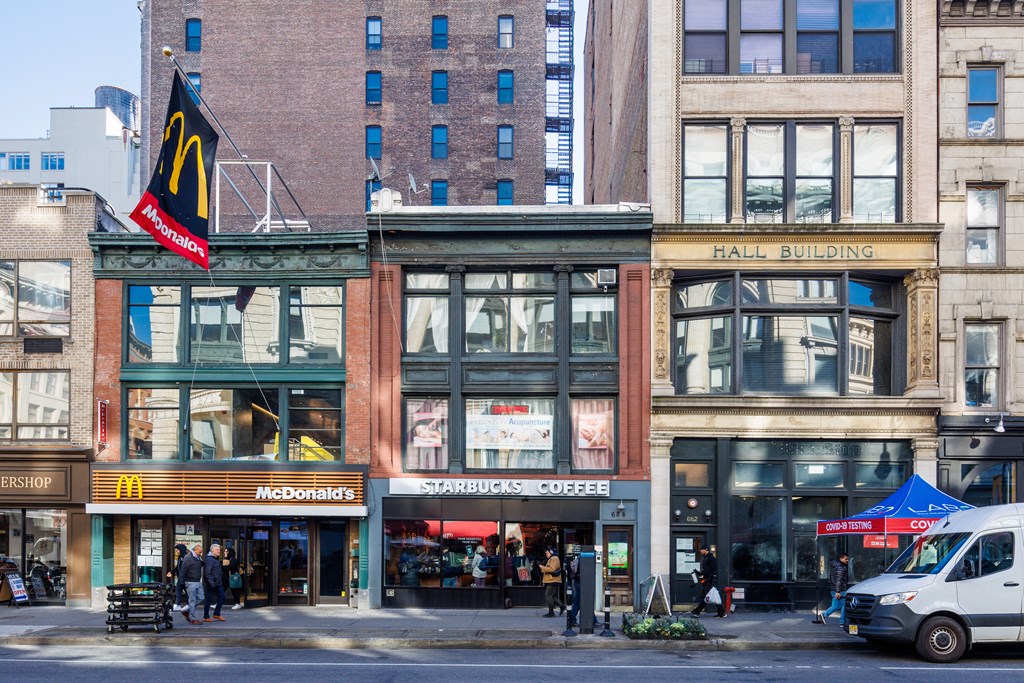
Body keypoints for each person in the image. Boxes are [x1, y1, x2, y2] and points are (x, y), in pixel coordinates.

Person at [689, 546, 726, 618]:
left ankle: (697, 611)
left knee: (706, 596)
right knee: (706, 596)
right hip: (706, 580)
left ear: (706, 549)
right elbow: (705, 570)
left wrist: (713, 580)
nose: (701, 551)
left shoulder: (711, 558)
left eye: (702, 549)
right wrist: (698, 573)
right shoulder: (705, 558)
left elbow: (714, 570)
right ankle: (721, 612)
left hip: (710, 581)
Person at [814, 552, 849, 626]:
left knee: (836, 606)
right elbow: (839, 580)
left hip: (833, 589)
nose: (847, 560)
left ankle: (824, 615)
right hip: (840, 590)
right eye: (846, 559)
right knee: (844, 606)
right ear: (841, 558)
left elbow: (834, 579)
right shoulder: (841, 567)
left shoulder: (834, 565)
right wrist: (838, 591)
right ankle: (842, 622)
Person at [179, 542, 205, 625]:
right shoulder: (188, 557)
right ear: (195, 550)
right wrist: (182, 582)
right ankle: (193, 619)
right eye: (199, 552)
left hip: (197, 581)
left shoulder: (198, 557)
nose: (200, 554)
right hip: (190, 581)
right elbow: (183, 570)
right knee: (192, 600)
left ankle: (186, 609)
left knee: (201, 597)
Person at [538, 546, 565, 618]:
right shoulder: (551, 558)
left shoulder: (554, 558)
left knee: (548, 596)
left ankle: (551, 612)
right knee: (552, 596)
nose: (546, 554)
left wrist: (542, 568)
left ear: (551, 552)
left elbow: (552, 569)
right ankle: (562, 606)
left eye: (547, 553)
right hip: (551, 580)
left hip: (552, 580)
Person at [203, 543, 226, 622]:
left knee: (222, 596)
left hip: (217, 583)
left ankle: (216, 614)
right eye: (217, 549)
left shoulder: (215, 559)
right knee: (208, 600)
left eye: (219, 549)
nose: (219, 551)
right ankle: (206, 617)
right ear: (212, 551)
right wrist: (211, 583)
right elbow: (207, 573)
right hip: (211, 583)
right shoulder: (209, 559)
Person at [166, 543, 188, 610]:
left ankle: (188, 605)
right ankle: (177, 604)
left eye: (178, 550)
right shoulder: (180, 557)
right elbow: (178, 567)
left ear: (181, 550)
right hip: (181, 578)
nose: (177, 551)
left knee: (187, 591)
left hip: (185, 578)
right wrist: (172, 572)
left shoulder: (186, 557)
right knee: (178, 590)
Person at [566, 552, 581, 627]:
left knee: (579, 603)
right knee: (577, 603)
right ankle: (571, 619)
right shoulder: (582, 560)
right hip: (580, 583)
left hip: (577, 582)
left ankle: (571, 619)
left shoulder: (577, 559)